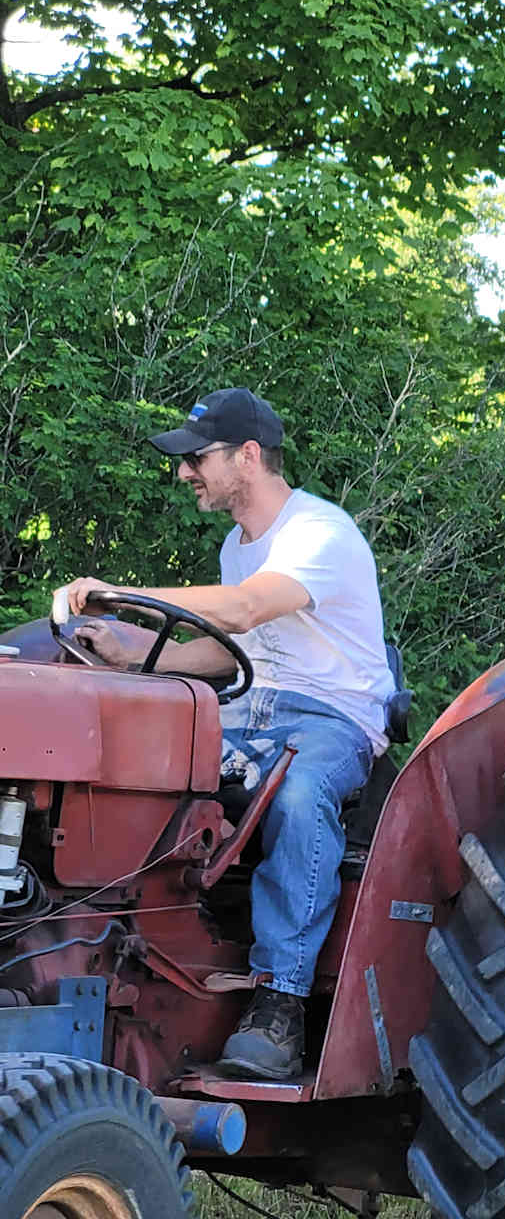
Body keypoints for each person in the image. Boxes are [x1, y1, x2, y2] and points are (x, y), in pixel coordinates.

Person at [61, 387, 395, 1080]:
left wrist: (123, 596)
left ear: (248, 456)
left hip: (332, 719)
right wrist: (133, 656)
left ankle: (280, 1008)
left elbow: (244, 611)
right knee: (147, 764)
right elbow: (224, 650)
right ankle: (118, 950)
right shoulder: (235, 546)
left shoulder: (318, 533)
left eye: (197, 459)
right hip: (251, 708)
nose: (186, 473)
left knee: (299, 795)